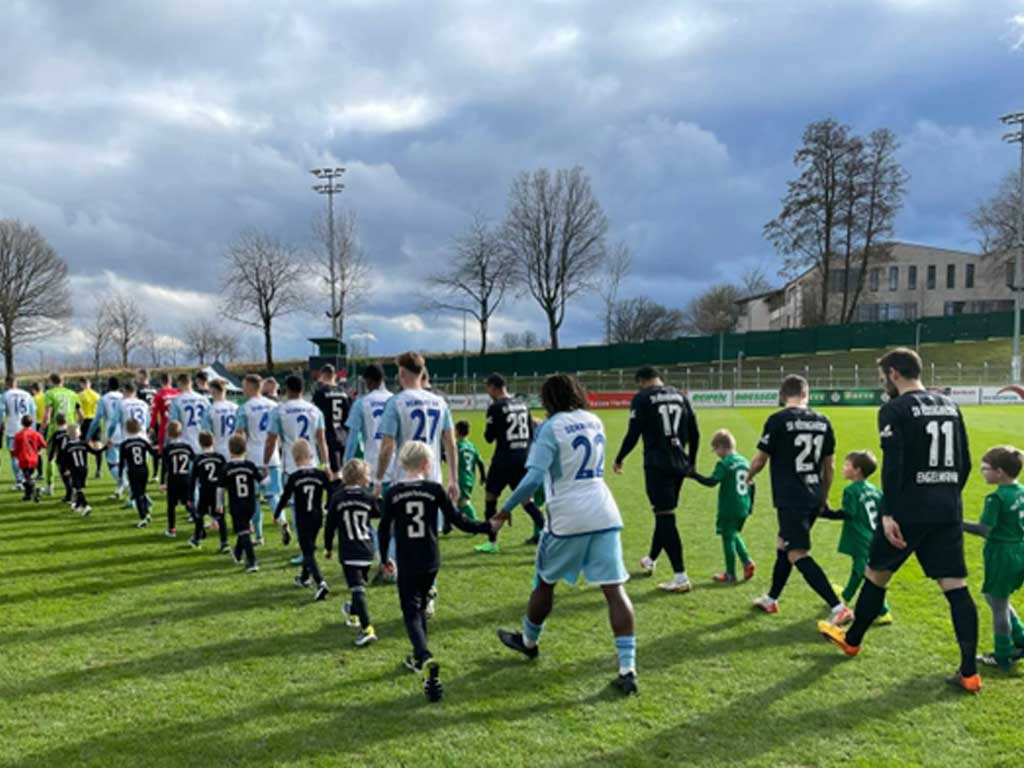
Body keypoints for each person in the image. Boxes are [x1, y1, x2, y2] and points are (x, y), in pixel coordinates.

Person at [819, 348, 980, 692]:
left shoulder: (894, 409)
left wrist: (889, 512)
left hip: (908, 510)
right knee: (956, 587)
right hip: (947, 509)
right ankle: (969, 672)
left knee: (876, 575)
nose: (883, 383)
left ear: (893, 373)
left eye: (882, 376)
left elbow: (894, 464)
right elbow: (964, 461)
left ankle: (853, 640)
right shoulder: (951, 406)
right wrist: (947, 494)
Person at [495, 374, 639, 696]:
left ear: (548, 400)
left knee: (545, 581)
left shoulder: (550, 427)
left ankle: (529, 642)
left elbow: (533, 479)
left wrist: (504, 510)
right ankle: (627, 669)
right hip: (604, 511)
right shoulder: (594, 419)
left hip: (567, 516)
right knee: (614, 590)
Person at [378, 441, 492, 700]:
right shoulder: (434, 489)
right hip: (431, 560)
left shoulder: (393, 493)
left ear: (401, 463)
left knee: (410, 612)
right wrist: (487, 527)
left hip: (407, 559)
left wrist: (384, 557)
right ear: (427, 465)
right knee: (418, 608)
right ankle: (419, 656)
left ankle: (424, 656)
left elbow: (384, 529)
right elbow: (458, 520)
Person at [746, 375, 850, 624]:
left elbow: (760, 460)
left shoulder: (777, 419)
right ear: (806, 394)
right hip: (813, 494)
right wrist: (823, 496)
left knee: (796, 552)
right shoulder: (823, 421)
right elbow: (830, 466)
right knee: (784, 544)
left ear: (783, 396)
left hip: (790, 496)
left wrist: (748, 476)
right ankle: (771, 599)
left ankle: (838, 608)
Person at [613, 366, 700, 593]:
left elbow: (633, 433)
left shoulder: (642, 398)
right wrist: (692, 461)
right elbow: (695, 431)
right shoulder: (680, 395)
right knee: (665, 514)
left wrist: (620, 458)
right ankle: (651, 559)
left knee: (665, 517)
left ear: (641, 381)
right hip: (679, 463)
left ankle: (680, 577)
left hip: (657, 464)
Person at [962, 446, 1024, 671]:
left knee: (998, 604)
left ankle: (1002, 655)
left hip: (1002, 553)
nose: (982, 472)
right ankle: (1021, 637)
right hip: (1020, 548)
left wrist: (956, 523)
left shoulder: (996, 497)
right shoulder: (1021, 491)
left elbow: (984, 529)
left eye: (985, 468)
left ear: (999, 472)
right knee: (995, 597)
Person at [817, 451, 892, 624]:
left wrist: (825, 513)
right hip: (873, 536)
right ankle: (845, 594)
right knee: (859, 567)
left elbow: (848, 513)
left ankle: (883, 610)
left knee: (864, 572)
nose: (843, 468)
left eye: (847, 465)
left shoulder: (851, 490)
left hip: (861, 538)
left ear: (857, 470)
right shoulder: (875, 490)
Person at [374, 352, 458, 505]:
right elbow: (450, 444)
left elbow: (387, 446)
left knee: (404, 526)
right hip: (433, 478)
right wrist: (453, 479)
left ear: (402, 373)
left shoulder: (396, 402)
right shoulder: (440, 402)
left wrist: (379, 479)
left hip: (404, 479)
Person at [264, 375, 331, 564]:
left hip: (292, 466)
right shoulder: (315, 411)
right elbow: (321, 440)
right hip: (312, 463)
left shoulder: (280, 411)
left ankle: (305, 549)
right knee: (315, 505)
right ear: (303, 389)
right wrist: (326, 464)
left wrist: (265, 462)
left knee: (297, 509)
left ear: (287, 389)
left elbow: (271, 440)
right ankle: (311, 543)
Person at [476, 373, 545, 553]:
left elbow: (489, 438)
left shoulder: (495, 407)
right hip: (523, 458)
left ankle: (492, 542)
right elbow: (531, 432)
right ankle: (549, 538)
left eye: (488, 388)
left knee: (491, 497)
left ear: (493, 387)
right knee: (526, 500)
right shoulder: (523, 404)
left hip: (503, 460)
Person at [324, 459, 380, 647]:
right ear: (362, 478)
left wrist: (328, 547)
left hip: (349, 551)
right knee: (359, 586)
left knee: (358, 589)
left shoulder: (338, 497)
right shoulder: (367, 496)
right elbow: (378, 512)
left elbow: (330, 525)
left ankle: (367, 628)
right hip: (367, 550)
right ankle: (353, 613)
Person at [689, 429, 756, 584]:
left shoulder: (724, 463)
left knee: (727, 538)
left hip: (729, 506)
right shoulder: (745, 462)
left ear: (721, 446)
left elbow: (712, 482)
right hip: (744, 505)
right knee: (733, 533)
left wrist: (693, 475)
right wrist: (750, 505)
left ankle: (731, 574)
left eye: (716, 449)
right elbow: (753, 485)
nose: (716, 453)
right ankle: (747, 562)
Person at [275, 439, 332, 600]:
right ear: (312, 455)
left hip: (303, 518)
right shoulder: (321, 475)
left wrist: (277, 513)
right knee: (310, 547)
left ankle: (320, 583)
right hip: (317, 517)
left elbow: (285, 497)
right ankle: (304, 577)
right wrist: (328, 506)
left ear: (294, 458)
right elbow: (332, 491)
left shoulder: (294, 477)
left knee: (307, 552)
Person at [235, 373, 280, 547]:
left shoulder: (245, 408)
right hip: (273, 457)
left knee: (253, 499)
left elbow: (239, 434)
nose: (242, 390)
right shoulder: (273, 405)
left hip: (253, 458)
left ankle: (259, 536)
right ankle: (282, 522)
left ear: (251, 387)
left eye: (244, 386)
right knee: (273, 496)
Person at [223, 433, 264, 573]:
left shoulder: (227, 468)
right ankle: (238, 553)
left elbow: (220, 489)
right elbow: (263, 482)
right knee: (244, 529)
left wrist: (219, 504)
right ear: (245, 449)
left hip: (236, 504)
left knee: (243, 531)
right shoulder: (250, 465)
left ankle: (252, 560)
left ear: (230, 450)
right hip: (250, 504)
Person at [110, 381, 151, 505]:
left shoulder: (122, 404)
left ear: (126, 391)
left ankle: (141, 500)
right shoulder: (144, 404)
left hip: (128, 440)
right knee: (141, 470)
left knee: (130, 472)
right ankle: (136, 499)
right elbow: (148, 422)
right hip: (143, 440)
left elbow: (113, 422)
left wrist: (109, 436)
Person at [40, 372, 80, 496]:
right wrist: (75, 425)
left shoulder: (50, 393)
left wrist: (42, 429)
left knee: (51, 457)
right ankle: (75, 486)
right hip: (72, 427)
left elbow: (47, 414)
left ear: (51, 381)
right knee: (73, 457)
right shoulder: (73, 394)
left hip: (56, 427)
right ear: (63, 381)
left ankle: (49, 487)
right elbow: (81, 414)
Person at [192, 431, 228, 553]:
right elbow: (226, 475)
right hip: (219, 491)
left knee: (200, 514)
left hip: (205, 491)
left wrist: (190, 496)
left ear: (200, 443)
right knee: (221, 517)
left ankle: (197, 539)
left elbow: (192, 479)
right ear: (214, 441)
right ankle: (224, 542)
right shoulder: (220, 458)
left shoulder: (198, 459)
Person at [312, 364, 351, 474]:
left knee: (332, 472)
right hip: (343, 436)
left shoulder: (320, 393)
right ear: (335, 375)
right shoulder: (344, 393)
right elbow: (349, 415)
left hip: (328, 435)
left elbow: (315, 415)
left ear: (322, 376)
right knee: (343, 470)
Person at [119, 418, 158, 529]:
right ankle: (146, 513)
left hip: (133, 471)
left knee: (137, 495)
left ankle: (143, 517)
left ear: (126, 429)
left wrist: (120, 475)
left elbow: (122, 462)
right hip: (144, 470)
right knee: (142, 492)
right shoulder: (142, 442)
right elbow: (153, 453)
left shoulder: (124, 444)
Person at [160, 421, 195, 541]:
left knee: (171, 506)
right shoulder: (187, 447)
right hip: (186, 478)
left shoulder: (168, 449)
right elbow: (194, 461)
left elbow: (164, 467)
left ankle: (172, 529)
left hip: (173, 479)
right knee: (188, 503)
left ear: (168, 434)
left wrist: (162, 483)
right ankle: (198, 523)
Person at [86, 377, 123, 487]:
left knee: (112, 464)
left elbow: (97, 419)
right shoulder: (123, 397)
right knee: (124, 463)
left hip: (111, 435)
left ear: (108, 385)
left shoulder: (104, 399)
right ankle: (121, 490)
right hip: (125, 433)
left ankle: (126, 485)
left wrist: (89, 434)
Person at [1, 376, 35, 490]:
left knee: (14, 456)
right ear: (16, 383)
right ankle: (29, 478)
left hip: (12, 429)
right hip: (27, 428)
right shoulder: (27, 394)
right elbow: (33, 411)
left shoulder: (5, 395)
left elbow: (1, 411)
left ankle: (20, 481)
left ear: (7, 384)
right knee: (27, 454)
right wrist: (33, 428)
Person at [62, 424, 103, 516]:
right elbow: (95, 452)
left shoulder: (68, 447)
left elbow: (64, 460)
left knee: (77, 489)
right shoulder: (84, 443)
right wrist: (105, 448)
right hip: (84, 469)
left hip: (75, 470)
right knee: (77, 487)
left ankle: (86, 505)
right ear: (79, 433)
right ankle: (77, 505)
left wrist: (66, 469)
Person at [167, 373, 209, 453]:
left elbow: (173, 425)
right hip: (203, 442)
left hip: (186, 443)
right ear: (191, 383)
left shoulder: (177, 401)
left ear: (179, 383)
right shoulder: (204, 400)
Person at [454, 420, 486, 523]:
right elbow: (480, 462)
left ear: (457, 431)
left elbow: (448, 458)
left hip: (460, 478)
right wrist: (483, 477)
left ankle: (476, 523)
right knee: (456, 501)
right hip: (469, 478)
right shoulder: (472, 446)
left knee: (463, 502)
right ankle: (454, 522)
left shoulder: (457, 446)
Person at [150, 371, 180, 479]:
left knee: (165, 453)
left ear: (160, 382)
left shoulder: (159, 395)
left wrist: (152, 427)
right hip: (178, 427)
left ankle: (164, 476)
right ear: (171, 381)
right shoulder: (178, 393)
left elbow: (154, 413)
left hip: (165, 426)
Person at [13, 414, 46, 502]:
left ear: (21, 423)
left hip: (24, 458)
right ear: (32, 423)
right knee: (28, 476)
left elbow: (16, 449)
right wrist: (38, 449)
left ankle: (35, 490)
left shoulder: (18, 435)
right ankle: (27, 495)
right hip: (34, 459)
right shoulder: (36, 434)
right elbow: (44, 444)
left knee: (27, 478)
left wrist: (17, 456)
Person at [202, 379, 238, 459]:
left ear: (212, 391)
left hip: (218, 451)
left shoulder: (210, 410)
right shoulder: (236, 407)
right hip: (235, 450)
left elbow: (206, 434)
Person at [76, 377, 102, 478]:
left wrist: (78, 422)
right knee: (98, 445)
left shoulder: (79, 396)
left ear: (81, 384)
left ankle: (85, 468)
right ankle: (99, 469)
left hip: (85, 421)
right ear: (89, 384)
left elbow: (79, 411)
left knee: (83, 446)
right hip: (95, 421)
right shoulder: (97, 395)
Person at [48, 413, 72, 503]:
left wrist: (50, 458)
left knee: (65, 477)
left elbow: (53, 447)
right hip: (71, 457)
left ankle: (69, 495)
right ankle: (71, 494)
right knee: (70, 475)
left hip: (61, 458)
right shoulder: (71, 431)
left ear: (57, 422)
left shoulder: (56, 434)